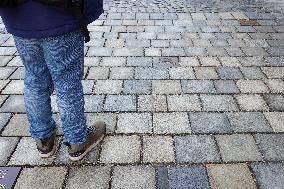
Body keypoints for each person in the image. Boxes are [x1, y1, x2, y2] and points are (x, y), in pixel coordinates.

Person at [0, 0, 106, 161]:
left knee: (35, 79)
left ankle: (43, 140)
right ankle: (77, 142)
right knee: (67, 83)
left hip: (19, 17)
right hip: (61, 14)